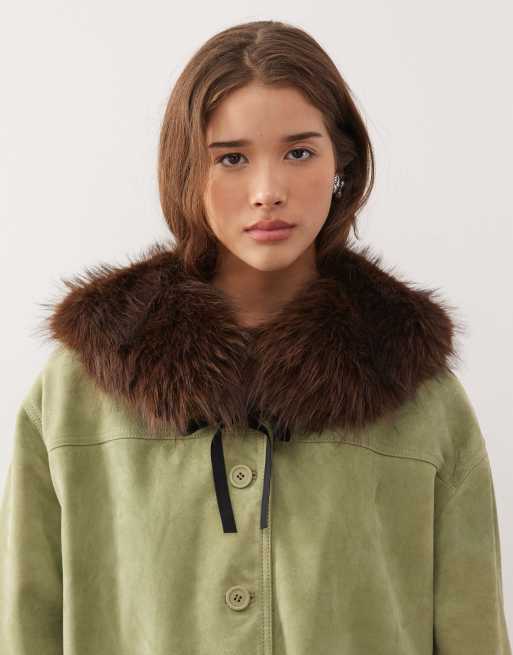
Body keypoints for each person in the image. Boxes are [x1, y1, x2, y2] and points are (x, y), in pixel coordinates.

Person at [0, 19, 511, 655]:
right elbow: (23, 627)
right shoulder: (75, 395)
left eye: (299, 153)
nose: (267, 192)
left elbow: (473, 633)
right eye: (232, 158)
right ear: (187, 169)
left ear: (341, 163)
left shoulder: (422, 399)